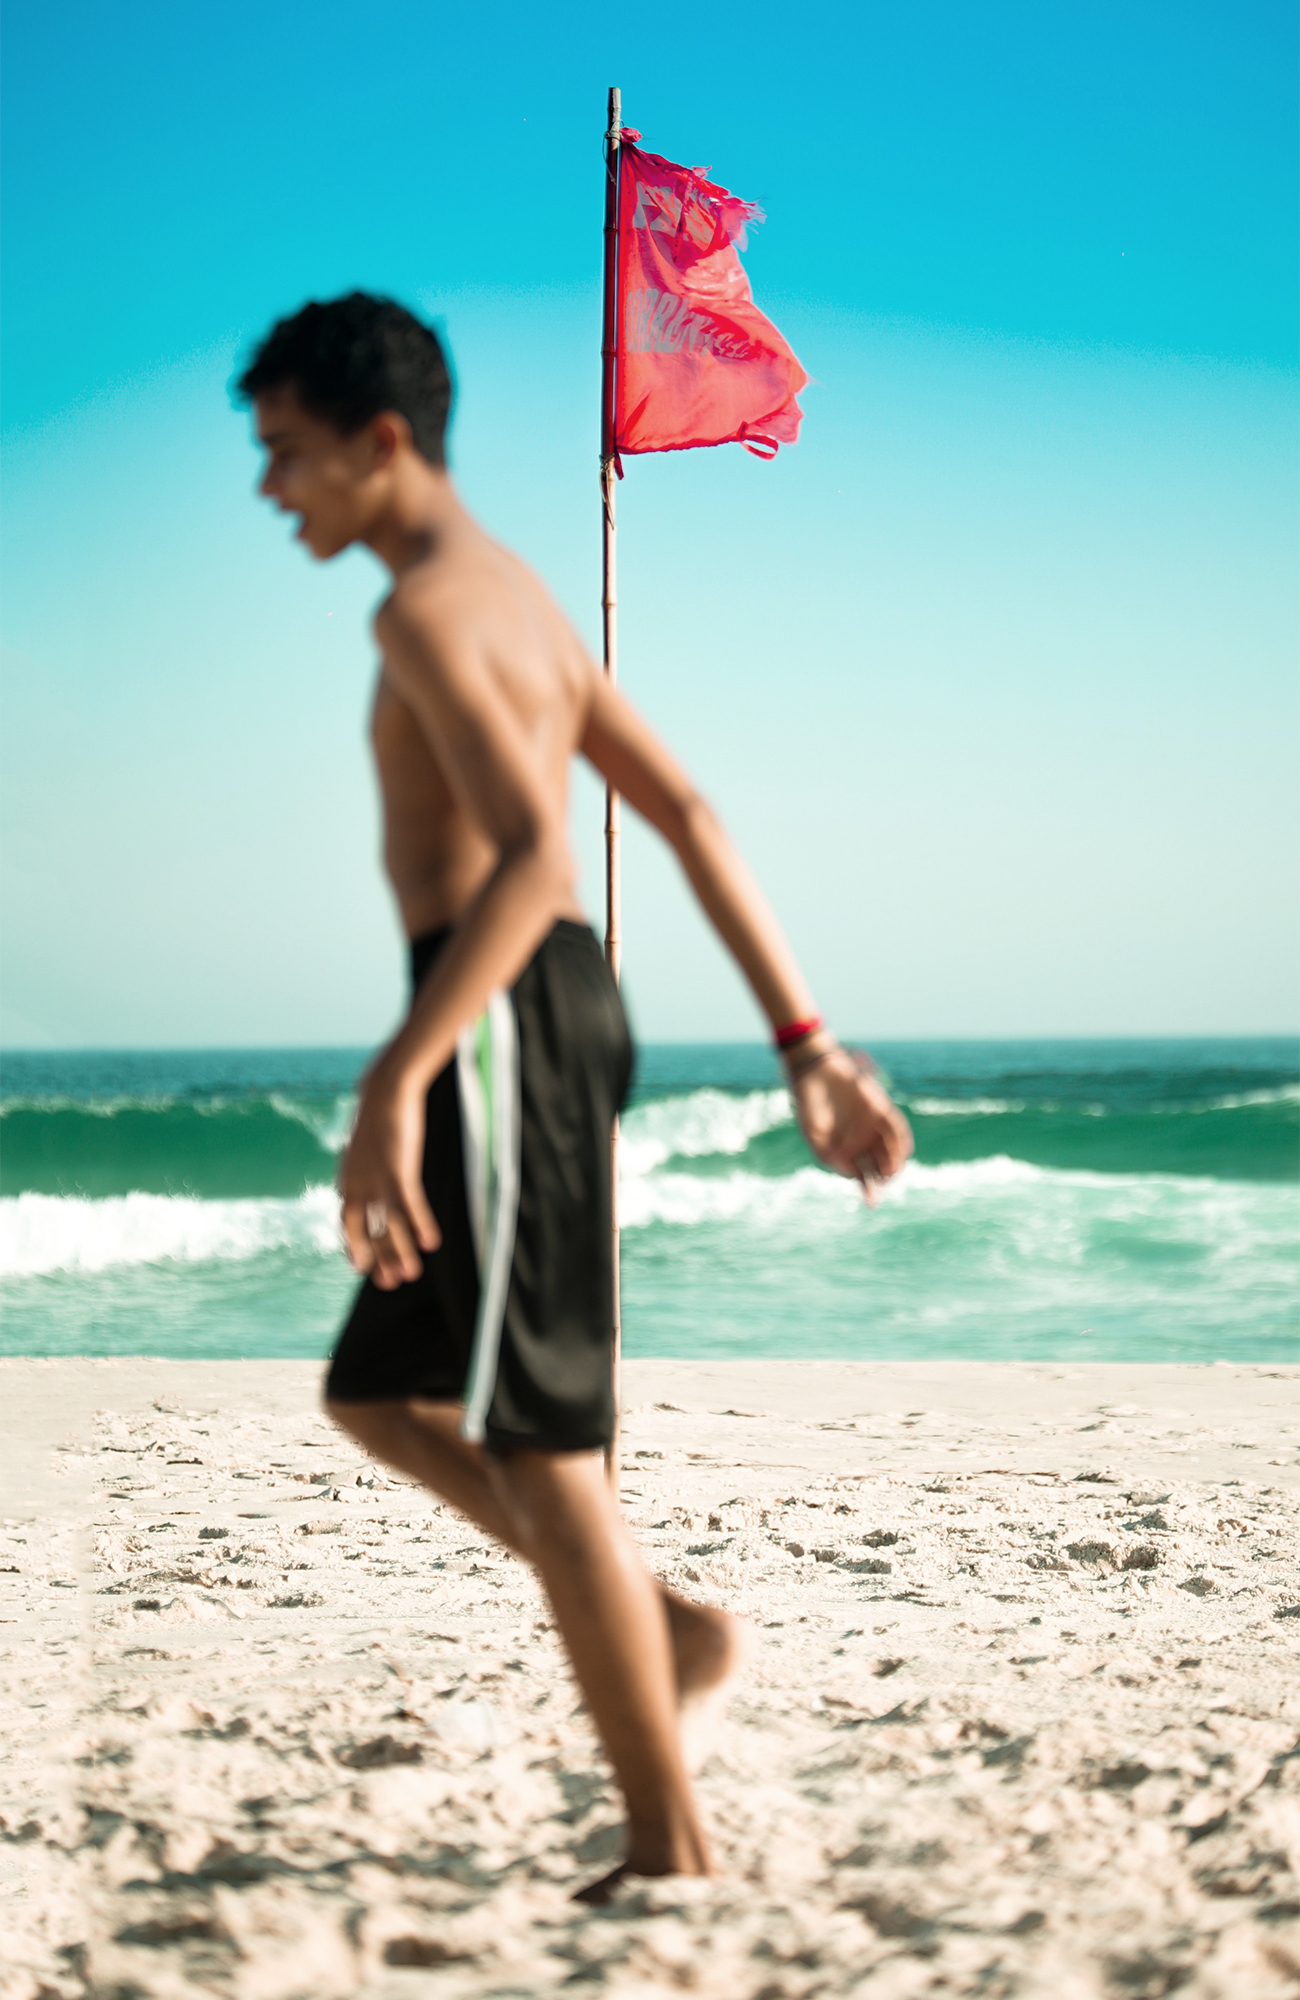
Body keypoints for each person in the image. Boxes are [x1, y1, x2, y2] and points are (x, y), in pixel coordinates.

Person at [236, 292, 912, 1902]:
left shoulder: (426, 613)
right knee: (382, 1396)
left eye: (286, 456)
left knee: (545, 1451)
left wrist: (397, 1076)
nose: (273, 493)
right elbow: (683, 808)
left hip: (496, 1024)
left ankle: (673, 1849)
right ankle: (660, 1629)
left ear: (378, 441)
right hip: (526, 1014)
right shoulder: (519, 596)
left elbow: (542, 856)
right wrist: (804, 1038)